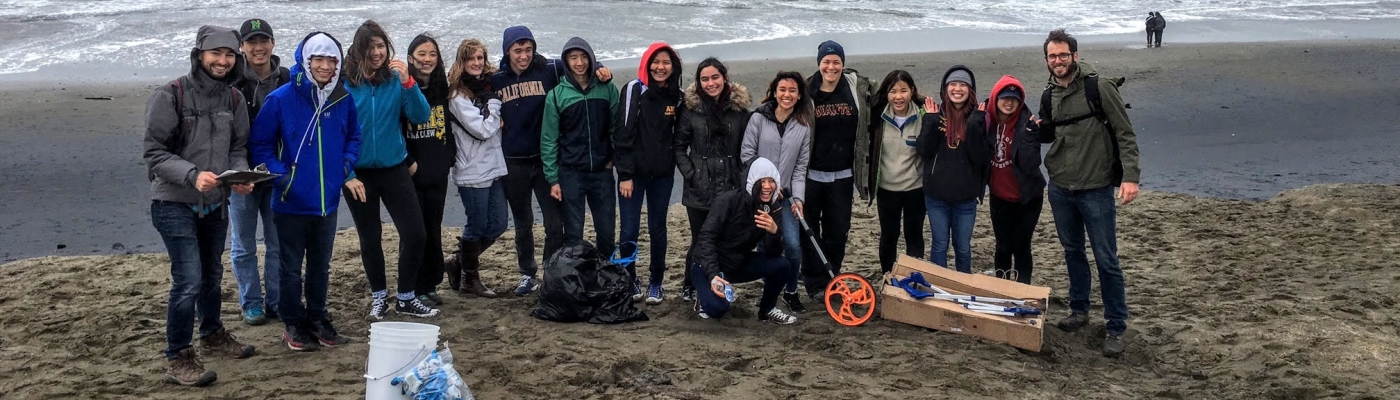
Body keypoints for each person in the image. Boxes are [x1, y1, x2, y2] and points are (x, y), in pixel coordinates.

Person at [143, 24, 256, 386]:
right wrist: (192, 174)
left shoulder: (234, 100)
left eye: (229, 55)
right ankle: (178, 355)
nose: (223, 61)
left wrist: (238, 177)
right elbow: (154, 154)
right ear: (200, 55)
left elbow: (238, 148)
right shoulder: (171, 94)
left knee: (211, 276)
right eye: (216, 54)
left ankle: (212, 334)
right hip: (173, 202)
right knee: (188, 280)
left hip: (214, 204)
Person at [250, 30, 360, 352]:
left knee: (320, 265)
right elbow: (260, 146)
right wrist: (285, 178)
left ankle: (317, 317)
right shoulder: (281, 99)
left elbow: (354, 137)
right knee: (290, 267)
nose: (325, 66)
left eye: (332, 60)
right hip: (290, 202)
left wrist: (344, 167)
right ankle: (293, 324)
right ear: (305, 60)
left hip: (327, 202)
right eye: (319, 59)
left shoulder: (343, 98)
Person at [1039, 29, 1142, 357]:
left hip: (1096, 188)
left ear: (1075, 56)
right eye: (1052, 56)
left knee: (1106, 258)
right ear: (1047, 60)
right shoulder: (1048, 94)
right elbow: (1049, 132)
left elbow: (1125, 134)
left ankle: (1115, 325)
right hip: (1060, 187)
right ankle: (1079, 310)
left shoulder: (1099, 87)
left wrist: (1130, 178)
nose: (1058, 61)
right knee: (1073, 252)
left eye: (1063, 55)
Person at [491, 26, 611, 296]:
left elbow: (579, 60)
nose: (524, 56)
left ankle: (551, 271)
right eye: (518, 50)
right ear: (507, 50)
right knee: (522, 223)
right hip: (514, 162)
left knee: (555, 225)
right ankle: (527, 274)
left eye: (528, 50)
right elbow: (475, 90)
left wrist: (601, 67)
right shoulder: (496, 79)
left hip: (547, 162)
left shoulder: (549, 69)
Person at [340, 20, 436, 320]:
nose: (377, 52)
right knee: (370, 237)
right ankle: (379, 297)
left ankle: (406, 296)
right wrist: (347, 174)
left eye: (381, 46)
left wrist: (409, 82)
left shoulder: (395, 80)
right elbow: (333, 133)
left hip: (394, 167)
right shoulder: (345, 84)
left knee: (416, 233)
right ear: (358, 50)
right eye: (370, 47)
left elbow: (421, 116)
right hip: (359, 174)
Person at [673, 57, 752, 302]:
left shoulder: (738, 110)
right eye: (704, 79)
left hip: (730, 185)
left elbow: (747, 148)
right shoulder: (690, 109)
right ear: (698, 82)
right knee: (700, 240)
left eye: (715, 77)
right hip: (700, 187)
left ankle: (718, 286)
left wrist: (742, 178)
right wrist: (692, 174)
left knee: (723, 240)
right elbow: (678, 147)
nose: (710, 83)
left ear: (724, 78)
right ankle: (690, 285)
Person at [229, 18, 291, 326]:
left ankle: (276, 301)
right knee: (243, 243)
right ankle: (250, 302)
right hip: (240, 175)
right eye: (251, 42)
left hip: (277, 173)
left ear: (273, 43)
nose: (258, 47)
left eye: (263, 40)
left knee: (277, 242)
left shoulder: (288, 78)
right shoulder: (231, 82)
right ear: (241, 47)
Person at [800, 40, 873, 300]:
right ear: (819, 63)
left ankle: (832, 277)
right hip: (810, 175)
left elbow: (882, 101)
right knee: (808, 232)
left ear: (843, 63)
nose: (831, 67)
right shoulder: (806, 91)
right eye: (826, 62)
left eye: (836, 62)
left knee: (838, 232)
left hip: (842, 175)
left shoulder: (854, 87)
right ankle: (815, 284)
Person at [689, 157, 798, 325]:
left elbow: (773, 253)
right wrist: (713, 275)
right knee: (717, 309)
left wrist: (774, 232)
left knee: (782, 265)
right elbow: (706, 239)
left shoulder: (773, 207)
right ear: (752, 182)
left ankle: (767, 310)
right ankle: (702, 296)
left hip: (738, 262)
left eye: (771, 181)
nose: (767, 186)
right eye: (762, 181)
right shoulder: (728, 201)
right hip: (707, 265)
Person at [615, 42, 683, 304]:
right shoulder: (634, 89)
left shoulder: (677, 96)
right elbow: (623, 133)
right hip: (634, 176)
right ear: (646, 64)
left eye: (666, 62)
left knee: (658, 228)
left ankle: (656, 282)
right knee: (629, 230)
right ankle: (630, 278)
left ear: (673, 66)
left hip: (663, 177)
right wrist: (625, 175)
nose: (660, 67)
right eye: (655, 62)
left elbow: (679, 133)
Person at [542, 37, 620, 259]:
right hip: (571, 174)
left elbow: (617, 126)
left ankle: (608, 276)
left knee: (606, 233)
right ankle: (576, 279)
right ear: (566, 61)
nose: (579, 62)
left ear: (592, 58)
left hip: (602, 173)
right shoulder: (556, 96)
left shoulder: (607, 89)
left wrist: (612, 157)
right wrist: (553, 179)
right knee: (574, 235)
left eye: (584, 56)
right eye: (573, 57)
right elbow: (549, 139)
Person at [741, 71, 813, 313]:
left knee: (792, 245)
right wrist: (766, 185)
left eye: (792, 90)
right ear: (774, 91)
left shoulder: (803, 125)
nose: (787, 94)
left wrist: (799, 198)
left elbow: (801, 167)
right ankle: (769, 288)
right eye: (782, 89)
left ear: (799, 95)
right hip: (761, 195)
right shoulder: (759, 119)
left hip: (787, 197)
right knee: (764, 244)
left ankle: (791, 291)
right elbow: (747, 155)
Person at [445, 39, 506, 299]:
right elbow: (482, 130)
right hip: (471, 169)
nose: (477, 63)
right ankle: (471, 278)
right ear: (462, 61)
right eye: (471, 59)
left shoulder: (489, 84)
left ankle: (458, 261)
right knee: (477, 224)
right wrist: (494, 109)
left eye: (480, 58)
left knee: (499, 223)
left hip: (493, 165)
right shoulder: (457, 95)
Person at [918, 65, 990, 274]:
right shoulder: (934, 114)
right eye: (953, 84)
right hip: (936, 197)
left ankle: (963, 287)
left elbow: (981, 158)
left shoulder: (978, 117)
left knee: (963, 248)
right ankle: (940, 287)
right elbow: (924, 151)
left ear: (971, 90)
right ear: (945, 88)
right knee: (940, 245)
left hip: (966, 199)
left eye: (963, 85)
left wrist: (976, 124)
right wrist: (930, 120)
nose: (957, 89)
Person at [402, 33, 454, 306]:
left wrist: (448, 157)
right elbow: (395, 130)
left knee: (434, 228)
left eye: (432, 54)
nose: (427, 59)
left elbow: (447, 126)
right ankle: (412, 286)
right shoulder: (401, 89)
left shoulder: (441, 87)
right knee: (415, 231)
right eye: (421, 54)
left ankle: (430, 284)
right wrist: (408, 163)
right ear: (410, 58)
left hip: (438, 170)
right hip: (411, 172)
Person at [984, 75, 1045, 284]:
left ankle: (1022, 289)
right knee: (1003, 246)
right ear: (995, 98)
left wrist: (1029, 138)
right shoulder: (986, 122)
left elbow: (1031, 164)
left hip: (1028, 197)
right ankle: (1002, 288)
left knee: (1021, 245)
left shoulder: (1027, 124)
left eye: (1015, 98)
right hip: (999, 197)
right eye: (1004, 97)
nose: (1009, 102)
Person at [865, 70, 927, 274]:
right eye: (893, 91)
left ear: (912, 91)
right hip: (887, 189)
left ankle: (913, 277)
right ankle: (888, 277)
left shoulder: (923, 114)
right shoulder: (877, 116)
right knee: (889, 236)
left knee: (914, 235)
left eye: (903, 91)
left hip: (915, 189)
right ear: (887, 93)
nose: (898, 96)